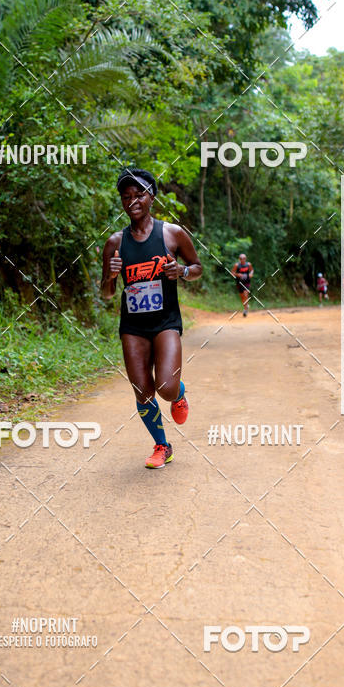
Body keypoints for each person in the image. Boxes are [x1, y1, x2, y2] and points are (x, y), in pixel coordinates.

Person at [101, 168, 202, 469]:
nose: (133, 200)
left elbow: (196, 267)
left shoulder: (172, 234)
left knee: (166, 387)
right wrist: (111, 274)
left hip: (165, 321)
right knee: (143, 390)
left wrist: (181, 272)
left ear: (151, 197)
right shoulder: (114, 243)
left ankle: (179, 394)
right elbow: (106, 292)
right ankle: (162, 445)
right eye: (126, 196)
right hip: (133, 326)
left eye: (139, 194)